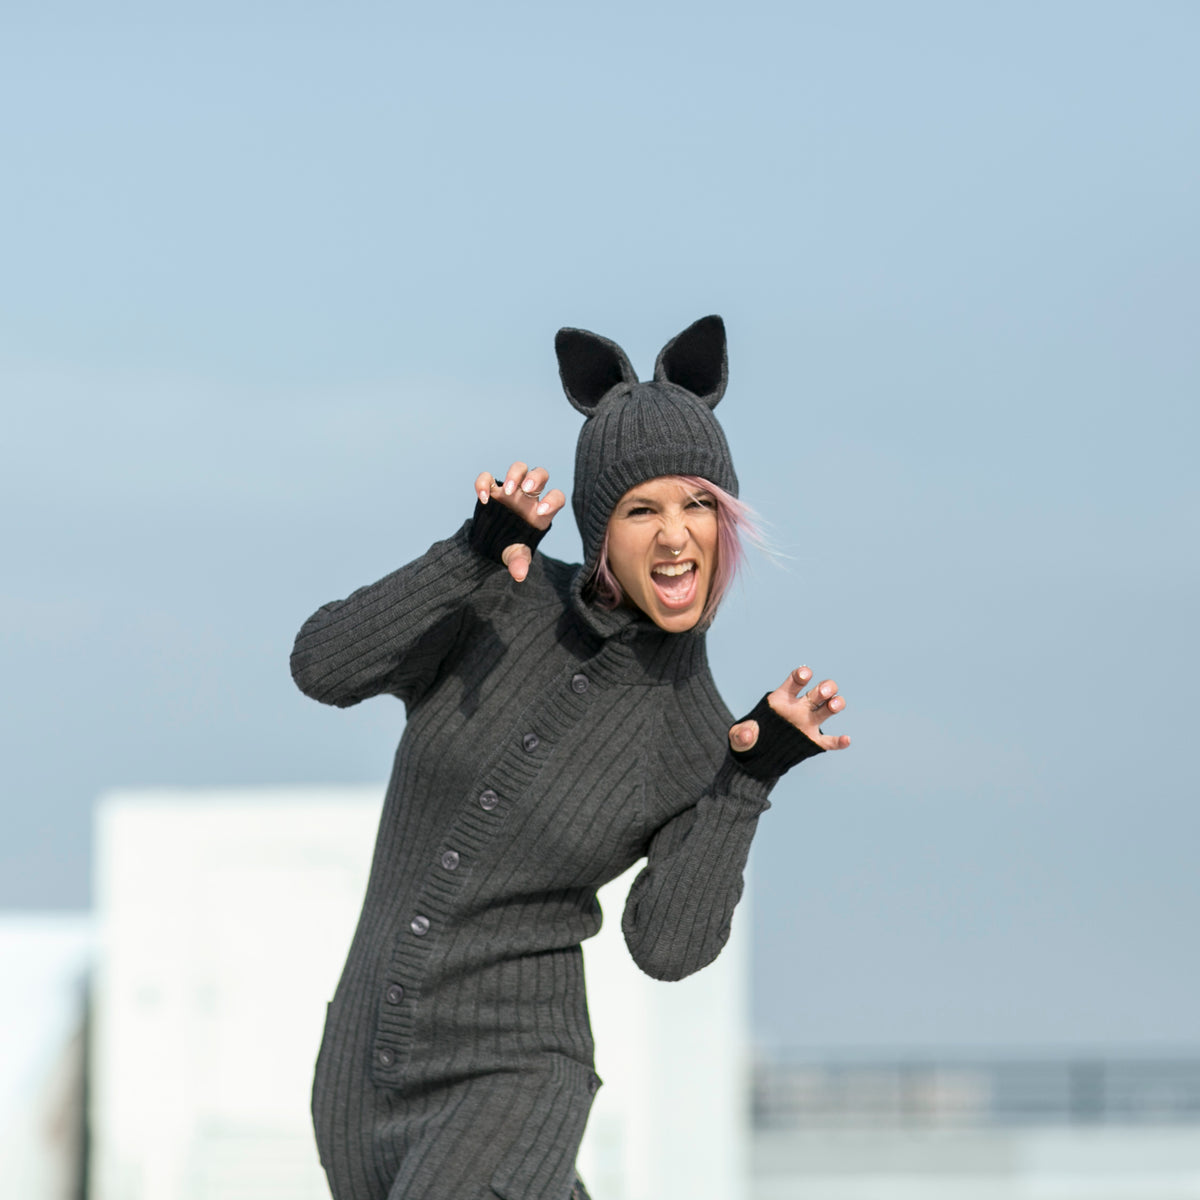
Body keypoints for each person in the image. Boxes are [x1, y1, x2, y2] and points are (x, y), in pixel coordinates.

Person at [290, 315, 849, 1200]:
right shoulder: (499, 600)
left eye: (699, 503)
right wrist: (466, 556)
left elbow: (668, 947)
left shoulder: (698, 731)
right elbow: (323, 666)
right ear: (601, 528)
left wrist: (746, 781)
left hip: (517, 1076)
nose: (675, 536)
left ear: (727, 523)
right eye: (643, 509)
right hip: (359, 1071)